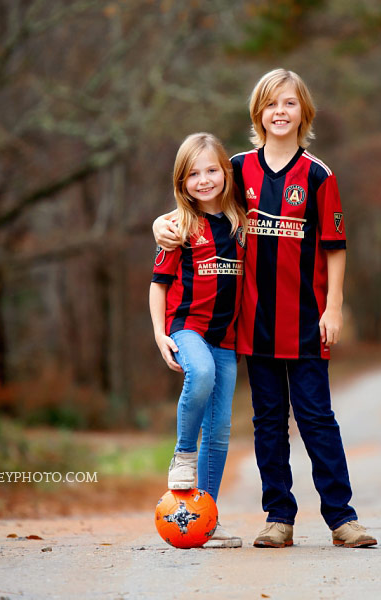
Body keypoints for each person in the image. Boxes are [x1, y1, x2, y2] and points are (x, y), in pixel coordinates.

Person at [153, 69, 377, 549]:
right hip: (253, 325)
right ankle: (279, 517)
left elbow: (336, 246)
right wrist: (160, 224)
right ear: (258, 113)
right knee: (268, 423)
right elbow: (197, 200)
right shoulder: (236, 170)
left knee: (317, 418)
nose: (280, 111)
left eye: (290, 103)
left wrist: (333, 307)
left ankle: (342, 518)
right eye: (271, 104)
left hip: (305, 321)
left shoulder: (319, 175)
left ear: (304, 113)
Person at [149, 132, 246, 548]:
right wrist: (159, 334)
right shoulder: (178, 227)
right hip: (187, 328)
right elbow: (158, 284)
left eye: (211, 170)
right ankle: (183, 453)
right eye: (193, 174)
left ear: (226, 172)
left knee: (221, 429)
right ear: (181, 182)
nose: (203, 180)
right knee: (200, 373)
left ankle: (206, 516)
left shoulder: (243, 223)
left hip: (228, 338)